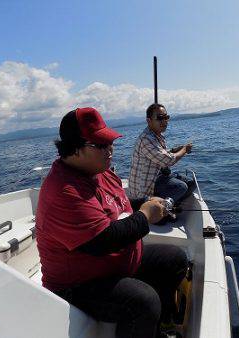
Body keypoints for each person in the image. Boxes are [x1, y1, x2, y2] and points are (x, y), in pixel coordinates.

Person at [35, 107, 188, 338]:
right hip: (77, 285)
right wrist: (146, 215)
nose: (110, 150)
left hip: (118, 266)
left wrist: (145, 202)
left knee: (174, 259)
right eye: (101, 145)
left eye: (110, 143)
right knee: (143, 302)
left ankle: (161, 326)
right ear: (74, 149)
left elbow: (118, 203)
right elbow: (104, 241)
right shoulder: (64, 191)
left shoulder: (99, 170)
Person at [128, 103, 194, 203]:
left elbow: (161, 154)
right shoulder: (146, 139)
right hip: (145, 188)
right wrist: (184, 149)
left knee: (191, 183)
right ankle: (158, 213)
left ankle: (169, 205)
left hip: (157, 178)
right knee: (181, 187)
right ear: (149, 121)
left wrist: (175, 150)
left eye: (166, 117)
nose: (164, 121)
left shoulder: (156, 136)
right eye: (159, 118)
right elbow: (168, 161)